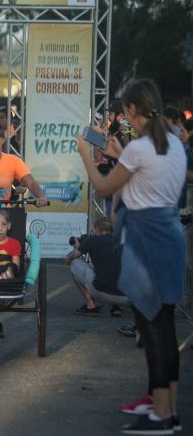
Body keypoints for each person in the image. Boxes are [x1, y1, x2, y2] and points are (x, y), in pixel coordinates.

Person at [76, 79, 184, 434]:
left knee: (151, 329)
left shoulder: (140, 149)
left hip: (144, 239)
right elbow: (150, 179)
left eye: (125, 111)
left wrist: (85, 157)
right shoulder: (173, 145)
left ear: (133, 111)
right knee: (164, 326)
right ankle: (164, 406)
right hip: (169, 237)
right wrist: (120, 157)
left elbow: (105, 187)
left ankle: (162, 417)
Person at [64, 217, 128, 317]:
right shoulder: (122, 241)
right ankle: (116, 307)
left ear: (95, 229)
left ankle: (91, 306)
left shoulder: (92, 240)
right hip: (126, 296)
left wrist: (77, 247)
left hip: (102, 293)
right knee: (114, 268)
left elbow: (68, 260)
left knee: (75, 263)